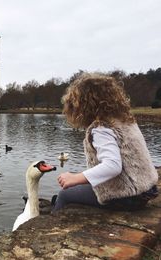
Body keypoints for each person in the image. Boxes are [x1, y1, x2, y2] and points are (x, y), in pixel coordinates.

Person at [52, 73, 158, 211]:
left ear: (84, 106)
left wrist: (75, 178)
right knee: (80, 183)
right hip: (146, 190)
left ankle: (56, 227)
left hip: (128, 196)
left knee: (64, 195)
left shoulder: (101, 128)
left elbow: (113, 166)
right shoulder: (124, 120)